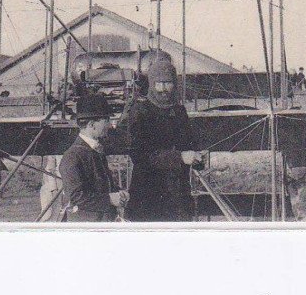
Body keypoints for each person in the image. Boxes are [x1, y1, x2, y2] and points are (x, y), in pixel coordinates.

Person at [122, 59, 204, 222]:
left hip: (178, 195)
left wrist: (197, 158)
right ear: (151, 84)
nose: (163, 89)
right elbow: (139, 155)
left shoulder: (179, 111)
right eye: (159, 83)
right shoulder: (140, 111)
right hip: (148, 195)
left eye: (168, 83)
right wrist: (180, 157)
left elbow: (189, 144)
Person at [59, 93, 127, 222]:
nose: (110, 125)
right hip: (87, 228)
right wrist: (110, 199)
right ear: (91, 124)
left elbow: (100, 186)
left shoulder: (94, 150)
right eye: (106, 120)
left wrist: (118, 192)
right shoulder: (73, 156)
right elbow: (75, 196)